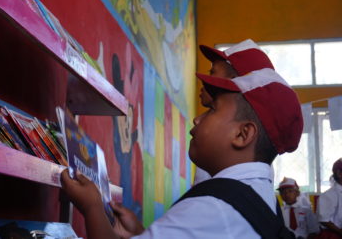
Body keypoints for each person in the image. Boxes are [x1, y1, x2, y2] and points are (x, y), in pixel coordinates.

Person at [60, 39, 304, 238]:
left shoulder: (215, 208)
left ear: (242, 135)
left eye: (213, 110)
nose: (197, 120)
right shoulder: (260, 199)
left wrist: (92, 208)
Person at [316, 158, 342, 238]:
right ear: (339, 174)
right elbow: (324, 220)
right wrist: (340, 232)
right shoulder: (328, 195)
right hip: (332, 235)